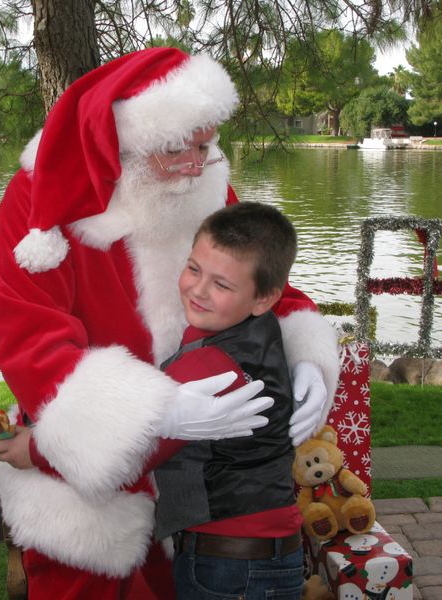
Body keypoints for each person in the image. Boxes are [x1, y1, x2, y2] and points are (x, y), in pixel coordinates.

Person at [0, 47, 340, 600]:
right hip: (86, 496)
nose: (199, 164)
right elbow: (30, 342)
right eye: (181, 148)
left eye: (207, 144)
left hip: (196, 490)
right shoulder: (36, 203)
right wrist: (153, 413)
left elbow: (257, 278)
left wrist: (307, 354)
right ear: (128, 139)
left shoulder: (204, 182)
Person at [155, 201, 306, 599]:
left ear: (264, 299)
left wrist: (31, 447)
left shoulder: (214, 365)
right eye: (193, 268)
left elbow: (131, 446)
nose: (198, 290)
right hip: (266, 553)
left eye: (221, 285)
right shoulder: (257, 330)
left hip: (228, 568)